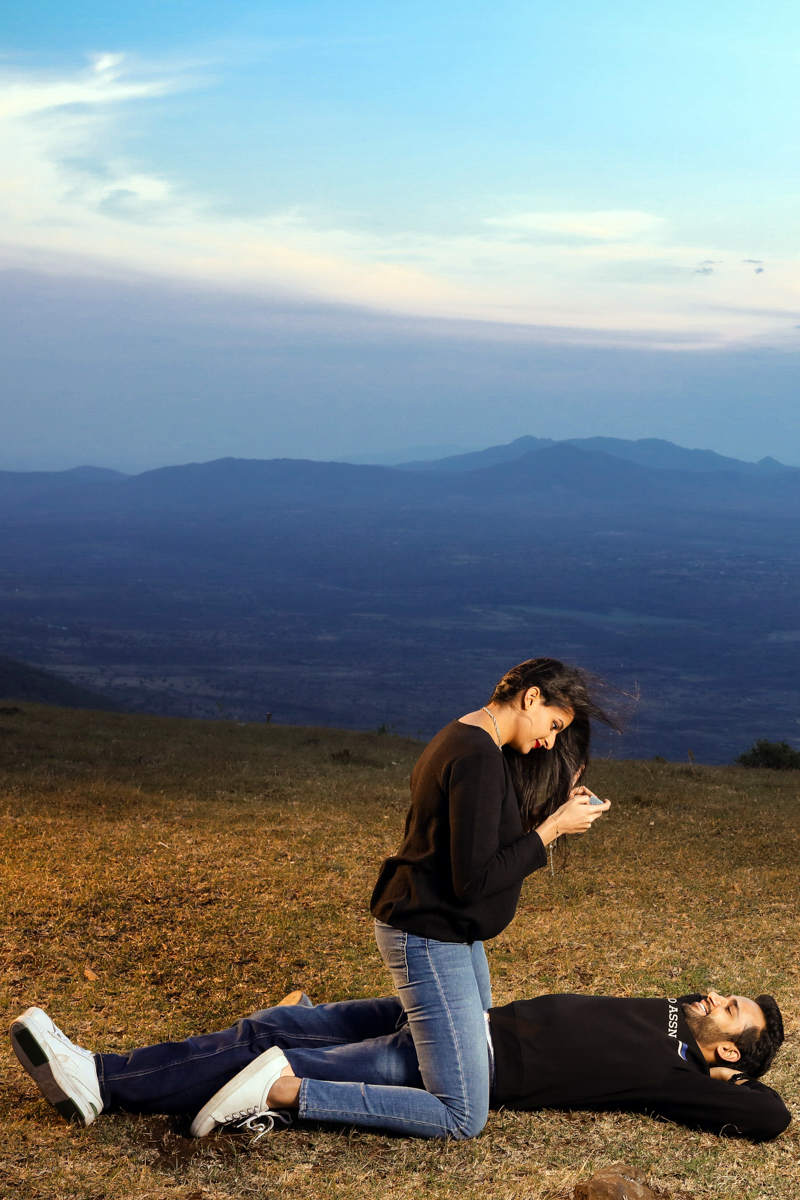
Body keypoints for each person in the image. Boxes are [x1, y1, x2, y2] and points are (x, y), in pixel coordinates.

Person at [10, 985, 789, 1143]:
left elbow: (772, 1115)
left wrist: (725, 1082)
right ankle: (110, 1076)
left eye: (733, 1014)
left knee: (273, 1052)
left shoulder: (675, 1075)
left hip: (464, 1056)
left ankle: (102, 1081)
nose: (717, 997)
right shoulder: (672, 1017)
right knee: (280, 1021)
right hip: (465, 1016)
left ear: (728, 1052)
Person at [365, 656, 618, 1138]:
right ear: (530, 698)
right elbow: (475, 881)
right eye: (554, 724)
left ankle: (303, 1030)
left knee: (477, 1050)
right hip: (427, 933)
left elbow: (484, 838)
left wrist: (555, 809)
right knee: (463, 1113)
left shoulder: (474, 740)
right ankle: (287, 1085)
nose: (550, 739)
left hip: (449, 932)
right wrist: (550, 831)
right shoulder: (478, 754)